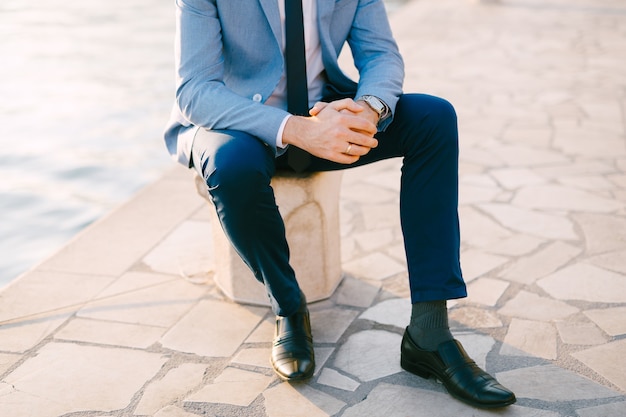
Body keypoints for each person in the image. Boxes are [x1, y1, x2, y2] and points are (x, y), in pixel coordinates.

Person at [164, 0, 516, 409]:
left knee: (434, 119)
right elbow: (195, 90)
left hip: (327, 112)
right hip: (240, 122)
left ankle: (430, 332)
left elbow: (381, 54)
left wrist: (369, 108)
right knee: (231, 167)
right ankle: (289, 308)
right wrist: (295, 128)